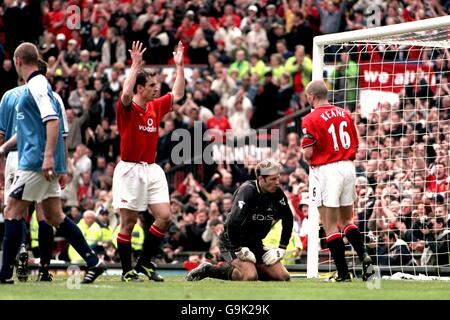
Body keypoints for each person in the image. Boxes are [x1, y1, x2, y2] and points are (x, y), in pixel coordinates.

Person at [0, 42, 105, 284]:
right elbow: (32, 127)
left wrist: (48, 158)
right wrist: (5, 148)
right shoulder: (38, 86)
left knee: (12, 210)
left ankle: (4, 274)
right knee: (54, 216)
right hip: (40, 160)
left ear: (17, 61)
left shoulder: (36, 85)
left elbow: (53, 121)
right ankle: (93, 261)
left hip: (35, 162)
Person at [113, 41, 185, 282]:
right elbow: (125, 93)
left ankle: (143, 263)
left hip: (152, 169)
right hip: (130, 168)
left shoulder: (155, 106)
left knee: (165, 216)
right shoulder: (127, 108)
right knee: (129, 222)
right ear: (140, 88)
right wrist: (134, 66)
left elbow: (178, 94)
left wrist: (180, 66)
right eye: (152, 85)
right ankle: (126, 271)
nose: (157, 89)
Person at [0, 59, 69, 282]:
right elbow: (63, 134)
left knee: (14, 210)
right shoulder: (53, 97)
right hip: (39, 156)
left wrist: (1, 166)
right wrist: (63, 166)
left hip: (14, 157)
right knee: (44, 215)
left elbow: (2, 134)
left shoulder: (9, 96)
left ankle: (17, 253)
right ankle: (44, 270)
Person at [301, 79, 373, 282]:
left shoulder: (310, 119)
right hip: (348, 168)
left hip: (327, 170)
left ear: (312, 97)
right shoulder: (344, 113)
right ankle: (363, 254)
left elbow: (308, 154)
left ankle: (343, 273)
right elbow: (356, 145)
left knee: (330, 224)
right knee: (347, 220)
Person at [185, 159, 293, 282]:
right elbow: (232, 222)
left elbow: (288, 218)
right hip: (231, 241)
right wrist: (238, 249)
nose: (278, 182)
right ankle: (208, 269)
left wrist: (281, 248)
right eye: (273, 179)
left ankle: (250, 267)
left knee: (283, 277)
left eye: (278, 178)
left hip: (255, 242)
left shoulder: (277, 192)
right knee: (250, 276)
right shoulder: (247, 190)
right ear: (262, 179)